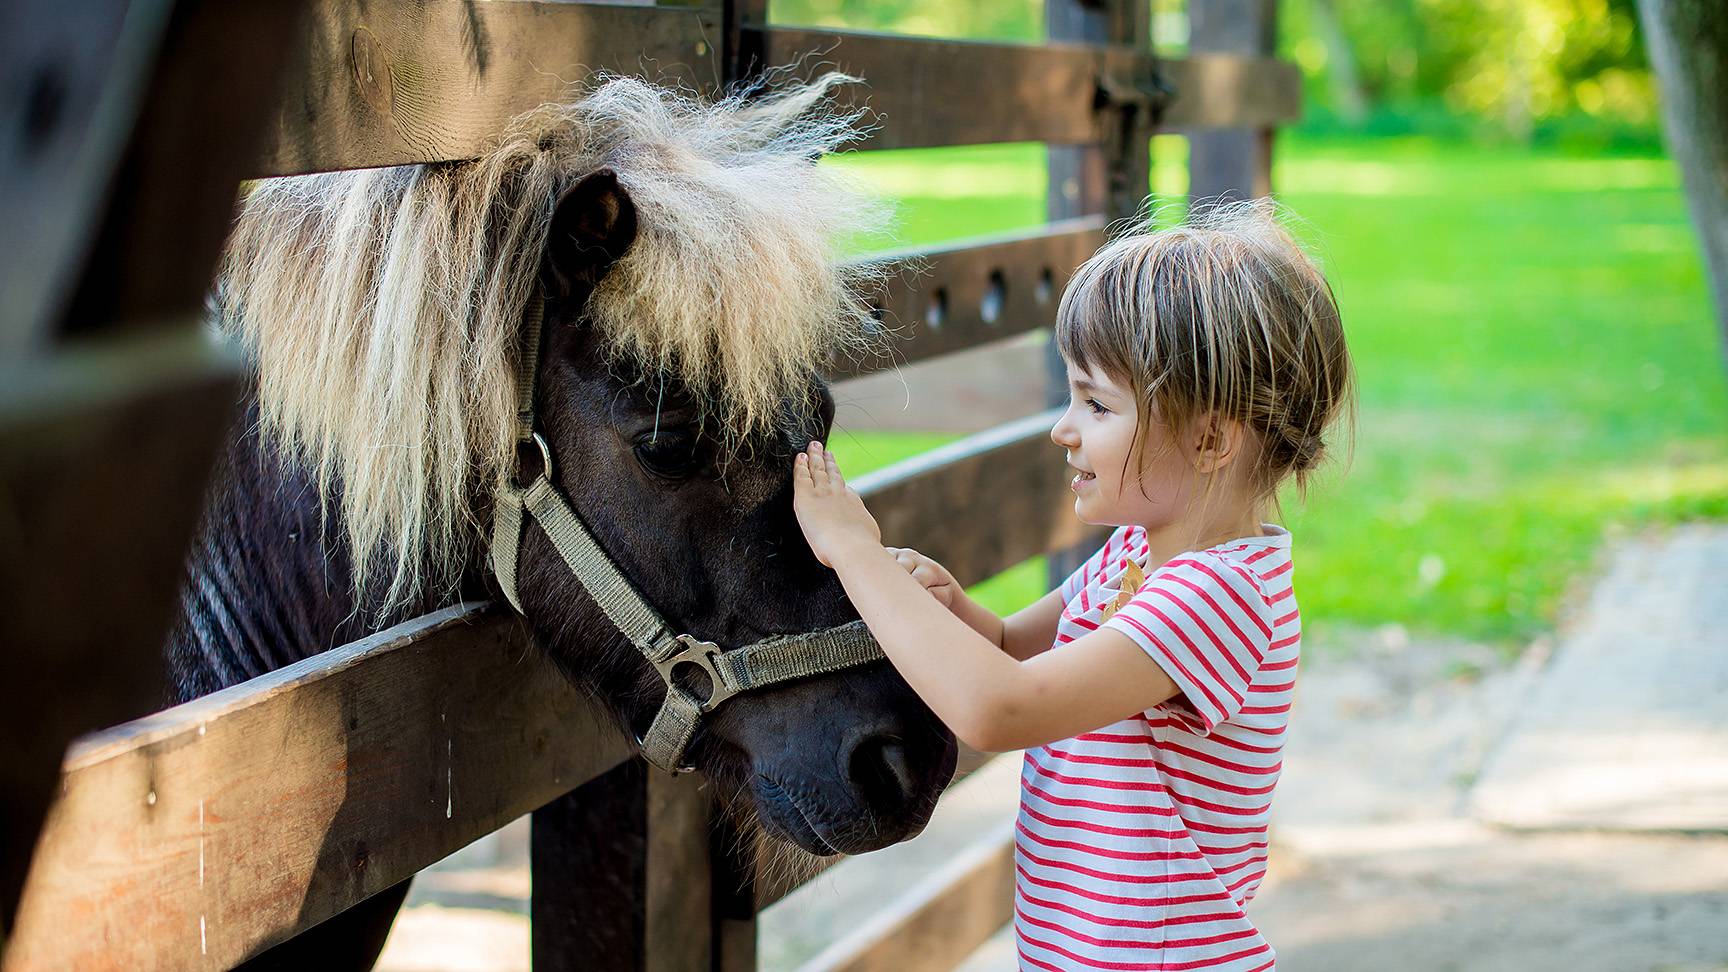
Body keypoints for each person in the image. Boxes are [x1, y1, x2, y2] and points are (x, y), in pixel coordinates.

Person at [791, 200, 1353, 971]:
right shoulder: (1137, 554)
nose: (1064, 428)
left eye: (1096, 404)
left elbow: (1001, 707)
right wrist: (955, 608)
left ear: (1212, 438)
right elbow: (1015, 654)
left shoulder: (1219, 597)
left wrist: (853, 552)